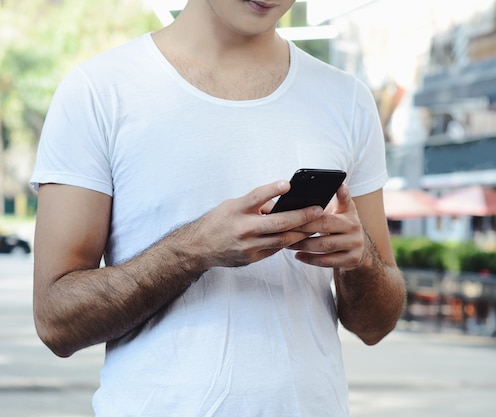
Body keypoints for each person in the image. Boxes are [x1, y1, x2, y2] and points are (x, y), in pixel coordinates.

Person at [30, 0, 406, 415]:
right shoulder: (98, 90)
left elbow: (376, 325)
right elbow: (56, 321)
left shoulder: (346, 100)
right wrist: (195, 249)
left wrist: (359, 262)